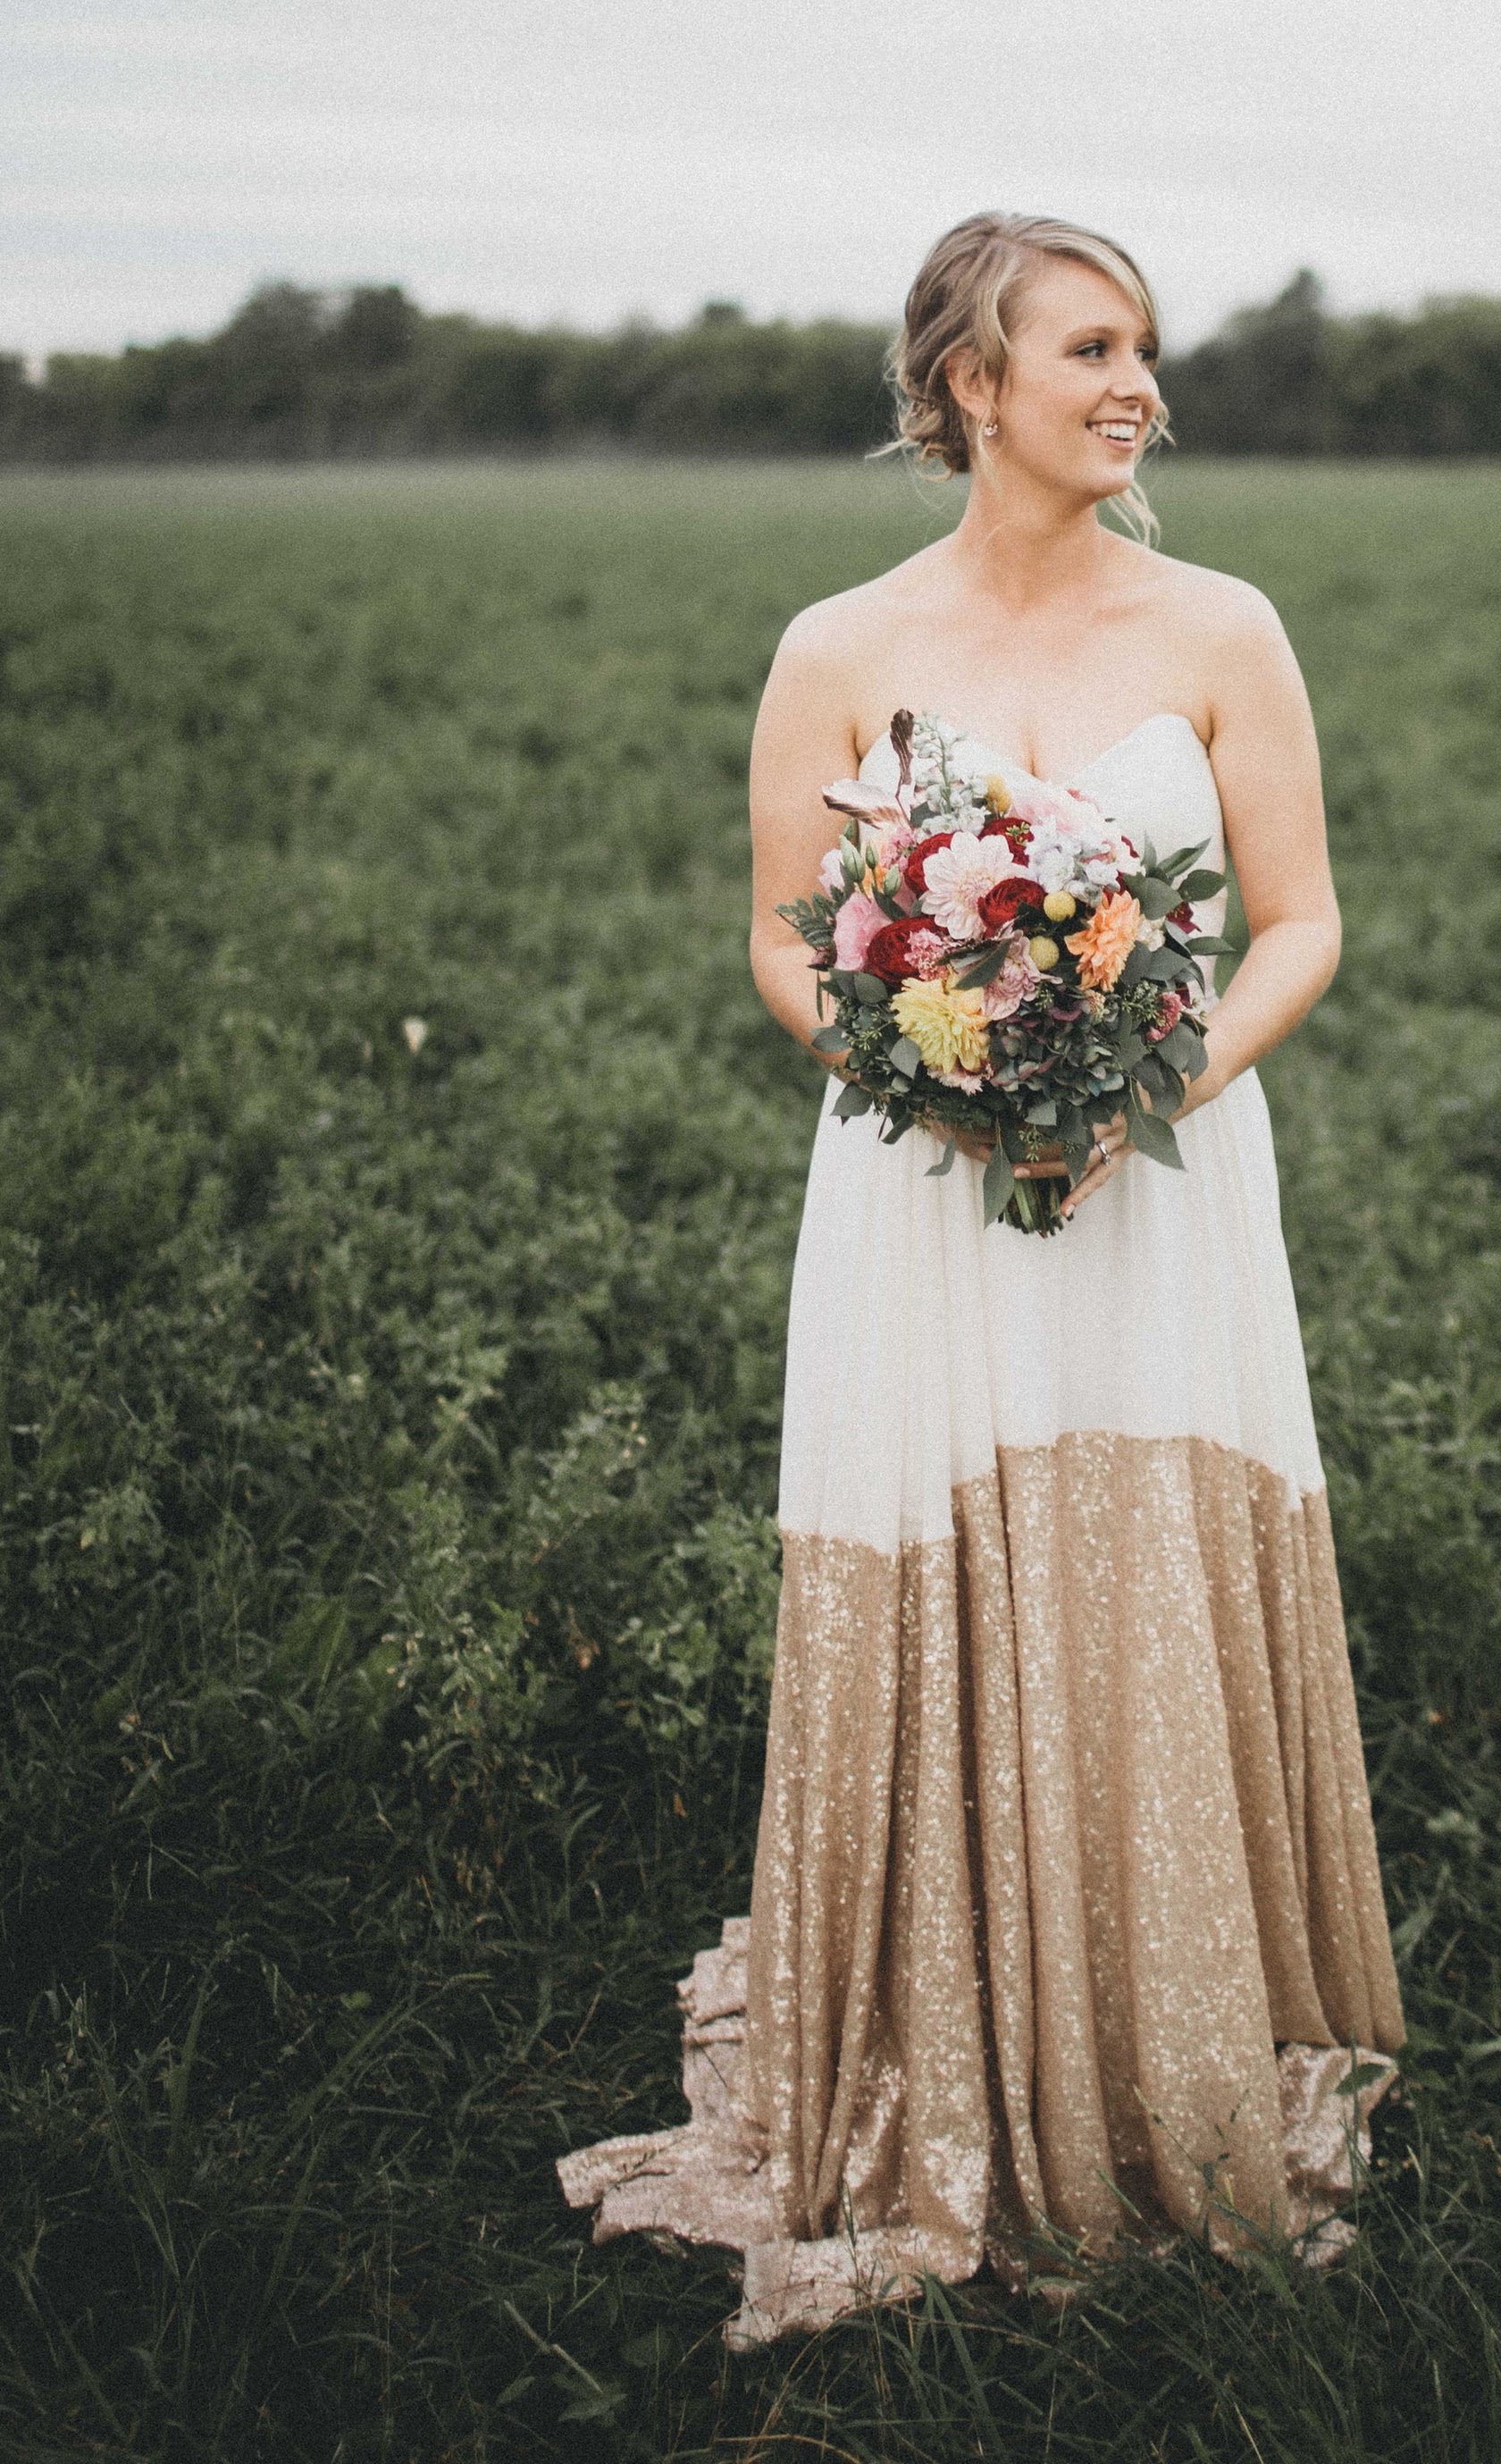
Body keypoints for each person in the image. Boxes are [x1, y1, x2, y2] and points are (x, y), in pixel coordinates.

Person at [559, 214, 1403, 2346]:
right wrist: (914, 1060)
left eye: (1146, 351)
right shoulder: (837, 641)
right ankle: (940, 2042)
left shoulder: (1224, 623)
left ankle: (1157, 2045)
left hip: (1161, 1182)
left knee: (1137, 1548)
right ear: (967, 386)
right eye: (1091, 350)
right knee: (946, 1540)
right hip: (919, 1184)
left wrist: (1139, 1078)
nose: (1138, 387)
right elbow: (778, 925)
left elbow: (1298, 919)